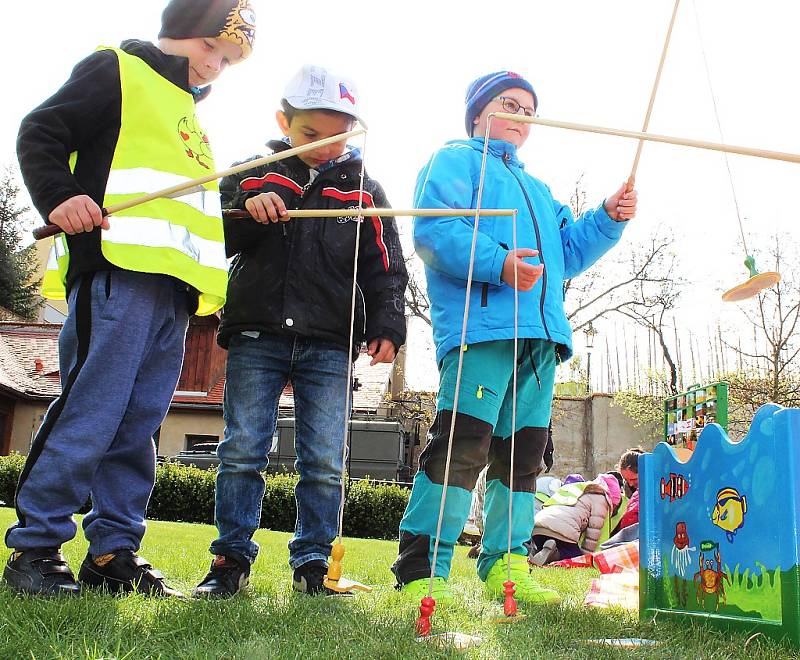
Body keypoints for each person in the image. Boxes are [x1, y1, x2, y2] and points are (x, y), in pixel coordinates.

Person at [3, 0, 256, 597]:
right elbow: (40, 130)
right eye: (211, 49)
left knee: (140, 423)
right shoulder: (116, 68)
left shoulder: (188, 117)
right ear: (179, 33)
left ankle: (113, 551)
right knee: (93, 407)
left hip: (171, 293)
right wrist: (59, 196)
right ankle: (35, 548)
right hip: (116, 270)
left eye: (229, 59)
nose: (217, 66)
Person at [391, 70, 637, 605]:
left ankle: (506, 565)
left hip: (540, 341)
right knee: (461, 447)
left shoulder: (539, 190)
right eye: (510, 104)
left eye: (530, 110)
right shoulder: (452, 161)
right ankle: (421, 568)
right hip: (481, 332)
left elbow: (566, 255)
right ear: (479, 111)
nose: (522, 117)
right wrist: (499, 264)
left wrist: (607, 218)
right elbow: (435, 232)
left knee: (523, 459)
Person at [193, 65, 408, 598]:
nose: (323, 146)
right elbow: (214, 234)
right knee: (243, 447)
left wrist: (386, 324)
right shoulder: (252, 172)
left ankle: (315, 562)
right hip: (256, 334)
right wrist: (246, 209)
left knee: (325, 458)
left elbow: (386, 267)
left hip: (331, 340)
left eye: (336, 135)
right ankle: (229, 560)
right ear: (283, 121)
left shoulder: (365, 191)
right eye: (310, 133)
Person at [529, 473, 626, 565]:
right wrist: (585, 557)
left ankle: (536, 552)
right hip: (561, 530)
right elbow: (593, 534)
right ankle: (556, 554)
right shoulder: (601, 499)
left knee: (547, 544)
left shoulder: (578, 489)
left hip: (538, 525)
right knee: (573, 557)